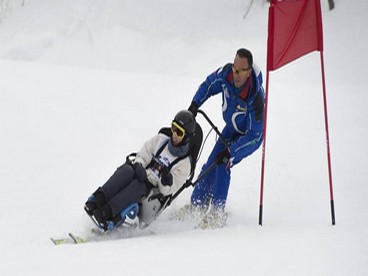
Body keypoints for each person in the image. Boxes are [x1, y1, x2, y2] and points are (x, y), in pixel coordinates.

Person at [84, 110, 196, 231]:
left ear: (187, 138)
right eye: (173, 127)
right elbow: (144, 154)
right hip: (141, 173)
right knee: (126, 170)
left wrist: (165, 181)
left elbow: (168, 190)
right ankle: (98, 199)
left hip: (153, 191)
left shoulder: (184, 164)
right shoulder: (161, 139)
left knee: (138, 186)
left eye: (179, 132)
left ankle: (108, 213)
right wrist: (139, 165)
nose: (174, 134)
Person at [187, 48, 265, 221]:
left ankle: (216, 214)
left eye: (240, 71)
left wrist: (232, 151)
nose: (235, 74)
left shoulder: (255, 98)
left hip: (249, 137)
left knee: (223, 163)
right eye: (234, 68)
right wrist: (195, 104)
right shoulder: (226, 74)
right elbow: (209, 84)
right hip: (231, 128)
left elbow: (255, 136)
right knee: (210, 164)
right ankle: (196, 206)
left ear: (249, 72)